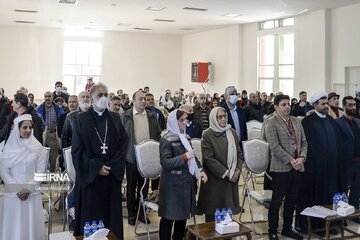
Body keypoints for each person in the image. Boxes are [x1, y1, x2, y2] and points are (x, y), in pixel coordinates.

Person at [72, 83, 129, 238]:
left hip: (111, 177)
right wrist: (97, 167)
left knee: (110, 218)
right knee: (91, 217)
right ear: (91, 98)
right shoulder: (80, 120)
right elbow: (77, 151)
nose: (103, 98)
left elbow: (123, 144)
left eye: (105, 95)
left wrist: (110, 166)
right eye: (99, 95)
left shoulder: (115, 118)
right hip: (90, 179)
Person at [297, 91, 345, 232]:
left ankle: (330, 225)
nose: (326, 106)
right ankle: (314, 226)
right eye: (323, 104)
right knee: (314, 198)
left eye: (326, 103)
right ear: (315, 105)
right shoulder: (308, 122)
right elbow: (305, 145)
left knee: (330, 196)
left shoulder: (331, 121)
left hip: (331, 169)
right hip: (315, 170)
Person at [158, 110, 207, 240]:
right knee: (169, 218)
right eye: (181, 120)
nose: (185, 122)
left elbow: (193, 157)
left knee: (182, 217)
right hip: (172, 185)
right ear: (174, 121)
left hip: (185, 182)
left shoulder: (186, 137)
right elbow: (165, 163)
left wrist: (200, 170)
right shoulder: (166, 139)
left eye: (186, 119)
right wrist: (184, 157)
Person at [264, 95, 307, 240]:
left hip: (298, 166)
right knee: (277, 201)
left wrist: (301, 158)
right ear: (276, 106)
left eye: (288, 104)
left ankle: (287, 228)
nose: (287, 107)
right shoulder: (271, 122)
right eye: (283, 104)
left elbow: (304, 142)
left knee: (291, 200)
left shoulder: (295, 121)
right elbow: (275, 147)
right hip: (281, 168)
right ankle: (273, 230)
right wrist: (291, 160)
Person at [0, 114, 46, 240]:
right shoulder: (9, 146)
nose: (28, 130)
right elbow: (4, 170)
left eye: (30, 127)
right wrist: (17, 189)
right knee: (14, 226)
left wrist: (28, 189)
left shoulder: (37, 147)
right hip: (13, 193)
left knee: (30, 225)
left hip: (31, 193)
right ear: (17, 129)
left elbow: (41, 171)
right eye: (24, 127)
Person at [122, 90, 161, 225]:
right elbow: (121, 137)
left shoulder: (151, 116)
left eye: (145, 99)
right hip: (131, 157)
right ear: (133, 101)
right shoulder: (126, 116)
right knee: (132, 186)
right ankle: (131, 213)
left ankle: (141, 212)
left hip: (147, 157)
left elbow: (157, 134)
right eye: (140, 99)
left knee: (143, 187)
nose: (143, 101)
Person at [198, 107, 243, 222]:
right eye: (220, 117)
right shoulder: (207, 135)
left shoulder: (231, 132)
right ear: (214, 118)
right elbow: (209, 159)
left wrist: (237, 170)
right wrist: (227, 173)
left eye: (225, 116)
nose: (223, 119)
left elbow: (239, 154)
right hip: (215, 181)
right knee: (213, 218)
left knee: (227, 218)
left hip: (231, 180)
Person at [336, 96, 360, 223]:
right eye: (350, 105)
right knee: (343, 190)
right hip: (346, 162)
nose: (353, 108)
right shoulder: (338, 123)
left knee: (357, 190)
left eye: (354, 105)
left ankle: (354, 214)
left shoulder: (358, 121)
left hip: (358, 161)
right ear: (344, 106)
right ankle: (342, 216)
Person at [36, 91, 64, 172]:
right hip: (42, 134)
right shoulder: (39, 108)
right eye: (46, 96)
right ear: (44, 97)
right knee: (42, 155)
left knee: (53, 155)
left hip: (53, 134)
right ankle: (42, 172)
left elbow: (61, 120)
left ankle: (52, 172)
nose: (47, 98)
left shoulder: (58, 108)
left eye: (49, 96)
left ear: (52, 97)